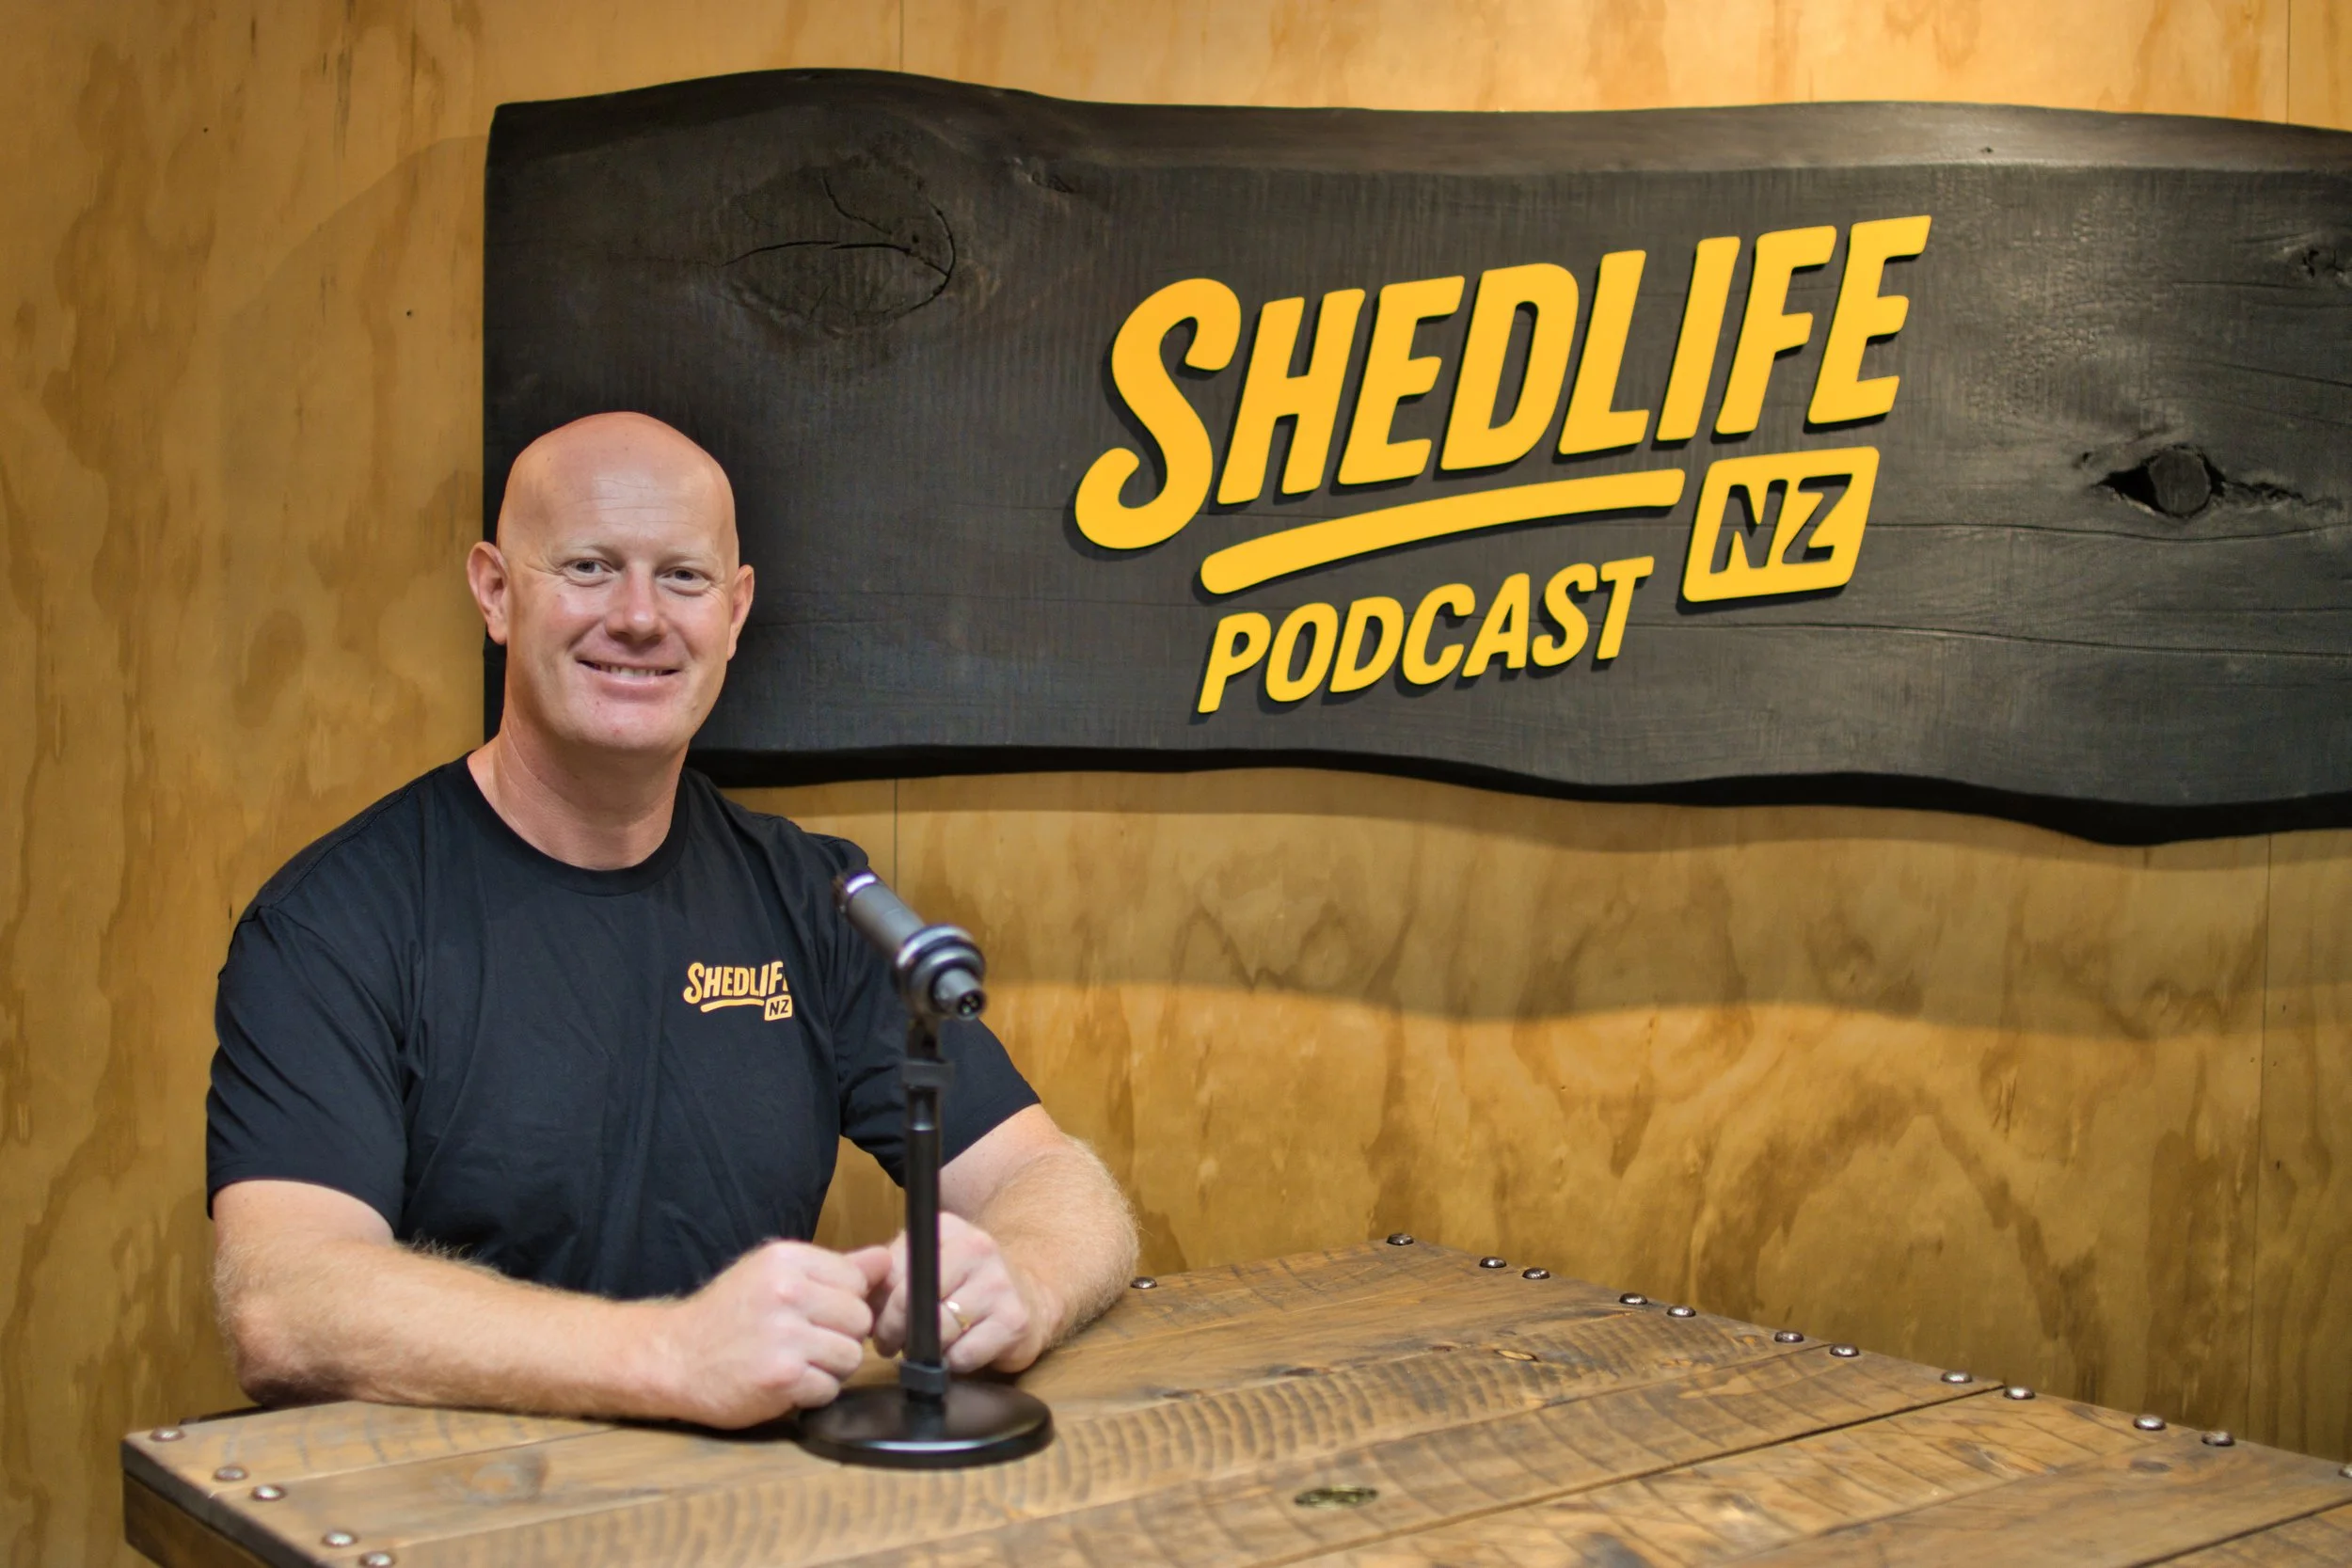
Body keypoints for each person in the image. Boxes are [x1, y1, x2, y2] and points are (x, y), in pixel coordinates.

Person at [206, 412, 1136, 1428]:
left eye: (684, 577)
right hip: (454, 1515)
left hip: (746, 1516)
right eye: (591, 566)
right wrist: (667, 1355)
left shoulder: (816, 898)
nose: (640, 616)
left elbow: (1049, 1177)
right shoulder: (335, 921)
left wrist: (1023, 1286)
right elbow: (285, 1302)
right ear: (494, 590)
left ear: (734, 612)